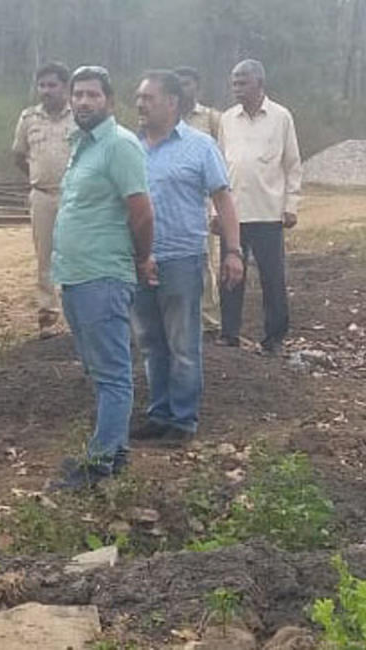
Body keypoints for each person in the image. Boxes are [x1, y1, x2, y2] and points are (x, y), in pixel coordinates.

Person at [50, 65, 155, 490]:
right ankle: (117, 454)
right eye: (78, 94)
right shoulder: (82, 145)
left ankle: (97, 467)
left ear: (109, 101)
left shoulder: (119, 145)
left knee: (112, 373)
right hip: (76, 275)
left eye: (92, 95)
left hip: (104, 275)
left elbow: (142, 212)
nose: (83, 101)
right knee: (99, 370)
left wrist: (142, 258)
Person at [131, 71, 243, 447]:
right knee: (151, 343)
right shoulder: (129, 148)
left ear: (172, 103)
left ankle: (183, 419)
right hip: (140, 260)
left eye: (148, 98)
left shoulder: (200, 146)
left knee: (182, 344)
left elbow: (223, 199)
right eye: (138, 97)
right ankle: (159, 414)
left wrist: (233, 251)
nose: (140, 104)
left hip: (182, 259)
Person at [218, 59, 302, 355]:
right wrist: (215, 212)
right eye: (234, 83)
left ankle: (274, 337)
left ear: (260, 84)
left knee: (272, 277)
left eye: (243, 83)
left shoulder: (281, 117)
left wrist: (291, 204)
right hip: (233, 213)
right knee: (230, 276)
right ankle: (229, 334)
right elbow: (219, 168)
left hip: (268, 211)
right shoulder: (227, 119)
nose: (237, 88)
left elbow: (292, 164)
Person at [12, 61, 75, 339]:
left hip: (75, 197)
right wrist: (37, 177)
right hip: (42, 196)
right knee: (45, 256)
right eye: (42, 85)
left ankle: (77, 314)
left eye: (53, 85)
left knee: (76, 253)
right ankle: (48, 315)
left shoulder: (79, 117)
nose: (47, 91)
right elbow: (18, 155)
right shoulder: (29, 119)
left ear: (66, 87)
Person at [175, 65, 224, 329]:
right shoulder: (165, 118)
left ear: (197, 88)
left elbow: (223, 163)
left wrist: (217, 210)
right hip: (172, 200)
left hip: (202, 200)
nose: (182, 89)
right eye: (178, 84)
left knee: (204, 261)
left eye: (187, 83)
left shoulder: (212, 119)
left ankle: (208, 320)